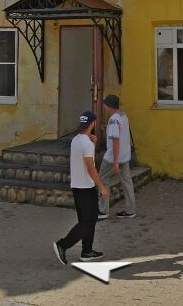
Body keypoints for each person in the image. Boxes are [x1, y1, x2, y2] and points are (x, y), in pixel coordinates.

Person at [53, 111, 108, 265]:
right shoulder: (86, 144)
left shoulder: (76, 140)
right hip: (86, 187)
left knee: (86, 220)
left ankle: (87, 251)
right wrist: (102, 187)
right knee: (89, 221)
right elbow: (91, 168)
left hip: (77, 186)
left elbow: (84, 159)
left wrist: (93, 143)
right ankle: (63, 245)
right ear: (93, 124)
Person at [97, 94, 136, 220]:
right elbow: (121, 132)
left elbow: (115, 141)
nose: (104, 107)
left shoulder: (113, 119)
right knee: (127, 182)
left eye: (105, 104)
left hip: (113, 157)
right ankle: (130, 210)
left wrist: (115, 162)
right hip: (125, 155)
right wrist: (107, 128)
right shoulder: (123, 116)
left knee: (103, 180)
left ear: (109, 106)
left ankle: (103, 211)